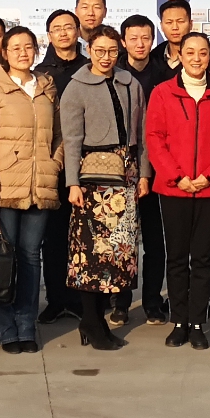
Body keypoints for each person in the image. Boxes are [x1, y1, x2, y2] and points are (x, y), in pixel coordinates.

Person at [144, 33, 210, 349]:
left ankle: (198, 322)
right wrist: (177, 176)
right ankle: (179, 321)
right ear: (180, 56)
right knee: (176, 258)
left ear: (209, 57)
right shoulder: (163, 93)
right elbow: (155, 138)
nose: (196, 58)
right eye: (190, 52)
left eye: (202, 52)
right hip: (174, 189)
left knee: (203, 259)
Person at [0, 24, 63, 355]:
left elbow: (59, 135)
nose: (23, 53)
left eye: (29, 47)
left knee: (30, 256)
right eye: (16, 48)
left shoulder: (47, 87)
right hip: (4, 188)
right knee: (3, 258)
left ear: (36, 51)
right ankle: (6, 326)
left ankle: (26, 323)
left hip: (40, 186)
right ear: (5, 53)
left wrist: (54, 164)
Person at [61, 25, 148, 350]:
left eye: (112, 51)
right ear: (88, 49)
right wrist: (72, 183)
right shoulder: (76, 88)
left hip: (125, 177)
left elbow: (141, 132)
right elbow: (71, 140)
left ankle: (98, 321)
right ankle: (92, 321)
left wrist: (143, 174)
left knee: (117, 254)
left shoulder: (131, 83)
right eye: (99, 51)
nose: (106, 57)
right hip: (92, 181)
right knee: (90, 255)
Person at [117, 13, 170, 325]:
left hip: (158, 168)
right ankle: (121, 302)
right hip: (121, 168)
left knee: (154, 241)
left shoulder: (165, 75)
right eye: (133, 38)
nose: (140, 44)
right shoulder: (113, 73)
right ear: (123, 41)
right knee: (122, 238)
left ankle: (152, 301)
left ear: (153, 39)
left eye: (146, 38)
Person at [35, 7, 86, 321]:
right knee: (53, 236)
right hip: (53, 163)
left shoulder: (90, 68)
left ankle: (82, 299)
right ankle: (55, 299)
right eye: (57, 28)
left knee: (83, 234)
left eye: (69, 27)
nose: (63, 33)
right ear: (49, 35)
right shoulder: (40, 74)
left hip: (86, 163)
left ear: (78, 31)